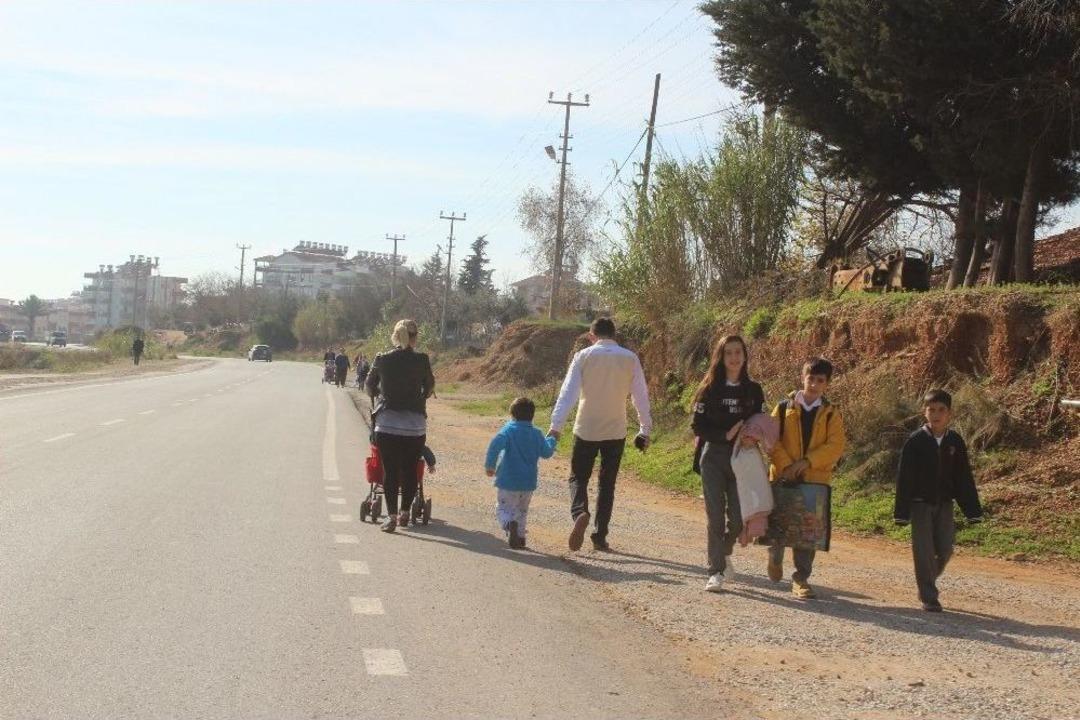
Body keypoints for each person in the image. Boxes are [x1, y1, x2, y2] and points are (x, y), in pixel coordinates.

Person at [549, 317, 651, 553]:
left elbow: (568, 393)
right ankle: (600, 536)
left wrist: (556, 426)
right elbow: (640, 396)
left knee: (578, 477)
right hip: (616, 430)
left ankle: (580, 513)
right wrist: (645, 428)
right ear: (613, 335)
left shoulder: (583, 356)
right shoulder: (630, 358)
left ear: (591, 336)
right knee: (607, 484)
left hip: (586, 427)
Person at [894, 389, 983, 612]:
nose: (936, 414)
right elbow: (904, 478)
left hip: (944, 504)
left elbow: (963, 478)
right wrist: (901, 512)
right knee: (923, 550)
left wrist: (972, 510)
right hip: (920, 504)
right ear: (924, 413)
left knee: (945, 548)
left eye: (941, 410)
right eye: (931, 409)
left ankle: (927, 578)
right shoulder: (915, 442)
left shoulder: (955, 441)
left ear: (949, 414)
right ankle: (928, 596)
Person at [691, 335, 766, 593]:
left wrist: (752, 436)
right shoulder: (709, 389)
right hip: (713, 457)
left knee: (736, 519)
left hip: (742, 460)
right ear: (721, 357)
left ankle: (722, 554)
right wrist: (724, 435)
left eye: (738, 352)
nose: (734, 358)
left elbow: (761, 422)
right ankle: (715, 572)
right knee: (714, 516)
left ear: (745, 356)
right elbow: (697, 426)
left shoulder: (754, 390)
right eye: (729, 353)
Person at [767, 357, 847, 600]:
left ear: (827, 384)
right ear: (802, 378)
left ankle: (801, 578)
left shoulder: (832, 414)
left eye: (819, 380)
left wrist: (807, 462)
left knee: (807, 534)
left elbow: (836, 445)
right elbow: (771, 439)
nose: (813, 384)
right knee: (779, 526)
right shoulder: (783, 407)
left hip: (814, 480)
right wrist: (787, 465)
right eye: (810, 378)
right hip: (783, 477)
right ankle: (775, 557)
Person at [365, 319, 435, 533]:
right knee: (410, 469)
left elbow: (369, 385)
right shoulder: (422, 359)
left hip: (387, 426)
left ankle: (392, 517)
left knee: (391, 471)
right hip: (415, 427)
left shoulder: (382, 359)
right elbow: (430, 386)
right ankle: (406, 513)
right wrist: (418, 399)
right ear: (415, 337)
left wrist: (379, 395)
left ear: (395, 336)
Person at [485, 397, 558, 549]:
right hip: (528, 483)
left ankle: (508, 524)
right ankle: (520, 536)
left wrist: (490, 466)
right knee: (522, 510)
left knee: (503, 508)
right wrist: (552, 439)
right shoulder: (537, 434)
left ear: (512, 414)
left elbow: (495, 445)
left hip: (508, 480)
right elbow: (546, 453)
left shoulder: (508, 430)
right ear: (532, 415)